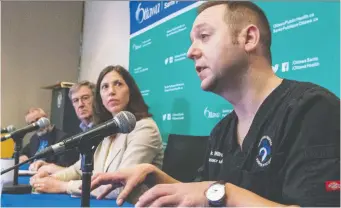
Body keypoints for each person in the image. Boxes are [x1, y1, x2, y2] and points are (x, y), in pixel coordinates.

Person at [89, 1, 340, 207]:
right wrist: (154, 178)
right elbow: (204, 194)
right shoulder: (222, 131)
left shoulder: (313, 109)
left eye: (204, 36)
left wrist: (223, 194)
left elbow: (214, 194)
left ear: (249, 38)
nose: (190, 52)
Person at [30, 65, 164, 202]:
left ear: (130, 91)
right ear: (100, 98)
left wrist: (63, 186)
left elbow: (119, 186)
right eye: (105, 87)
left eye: (118, 84)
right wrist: (51, 179)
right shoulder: (107, 128)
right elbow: (79, 169)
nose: (111, 91)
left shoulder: (145, 128)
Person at [29, 81, 96, 173]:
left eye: (85, 98)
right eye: (75, 100)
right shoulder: (83, 131)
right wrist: (49, 166)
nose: (80, 104)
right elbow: (79, 172)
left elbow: (91, 174)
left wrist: (53, 170)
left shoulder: (104, 130)